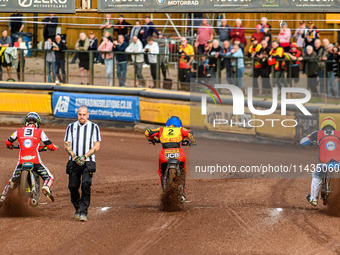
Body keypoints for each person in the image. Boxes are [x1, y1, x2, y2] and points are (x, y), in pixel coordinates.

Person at [0, 112, 58, 207]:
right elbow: (49, 145)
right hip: (35, 161)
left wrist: (9, 146)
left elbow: (8, 142)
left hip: (22, 161)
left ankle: (4, 195)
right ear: (37, 123)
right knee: (49, 176)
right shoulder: (39, 132)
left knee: (13, 179)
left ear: (26, 122)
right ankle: (46, 186)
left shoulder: (18, 131)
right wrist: (53, 148)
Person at [145, 116, 196, 202]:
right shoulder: (181, 130)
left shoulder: (161, 130)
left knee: (161, 171)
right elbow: (191, 134)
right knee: (183, 170)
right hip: (179, 155)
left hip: (164, 156)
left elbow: (147, 132)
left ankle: (165, 192)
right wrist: (192, 142)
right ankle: (182, 193)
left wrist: (152, 139)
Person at [64, 106, 101, 222]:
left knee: (86, 185)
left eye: (84, 114)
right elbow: (66, 144)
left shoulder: (94, 127)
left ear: (88, 115)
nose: (82, 117)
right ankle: (78, 207)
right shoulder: (71, 127)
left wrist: (85, 156)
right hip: (74, 161)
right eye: (80, 114)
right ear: (77, 115)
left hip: (88, 161)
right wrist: (74, 156)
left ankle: (84, 212)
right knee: (73, 186)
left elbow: (97, 145)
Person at [302, 116, 340, 207]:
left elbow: (302, 142)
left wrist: (311, 140)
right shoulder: (339, 133)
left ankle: (313, 199)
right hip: (338, 163)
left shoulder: (317, 133)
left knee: (316, 175)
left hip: (324, 163)